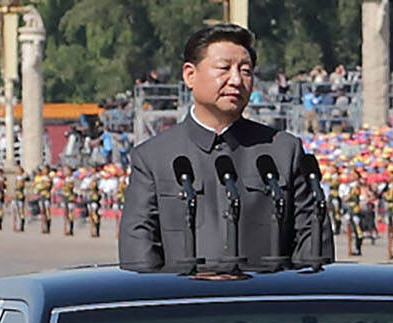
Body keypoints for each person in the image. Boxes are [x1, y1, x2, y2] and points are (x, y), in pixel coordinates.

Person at [118, 23, 333, 273]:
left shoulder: (282, 151)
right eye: (224, 68)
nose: (236, 80)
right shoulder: (153, 158)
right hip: (186, 307)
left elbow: (312, 246)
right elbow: (139, 257)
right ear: (189, 75)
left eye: (246, 71)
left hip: (266, 305)